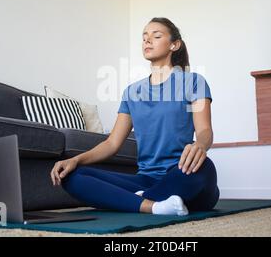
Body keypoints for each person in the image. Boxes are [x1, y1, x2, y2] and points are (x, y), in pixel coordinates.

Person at [50, 17, 219, 216]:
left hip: (182, 171)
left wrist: (200, 145)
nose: (147, 40)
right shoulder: (132, 92)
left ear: (175, 44)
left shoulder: (193, 82)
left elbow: (204, 131)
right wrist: (75, 160)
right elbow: (112, 143)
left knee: (204, 168)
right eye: (144, 37)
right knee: (72, 176)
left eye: (156, 36)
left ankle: (136, 199)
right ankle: (154, 205)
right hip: (145, 179)